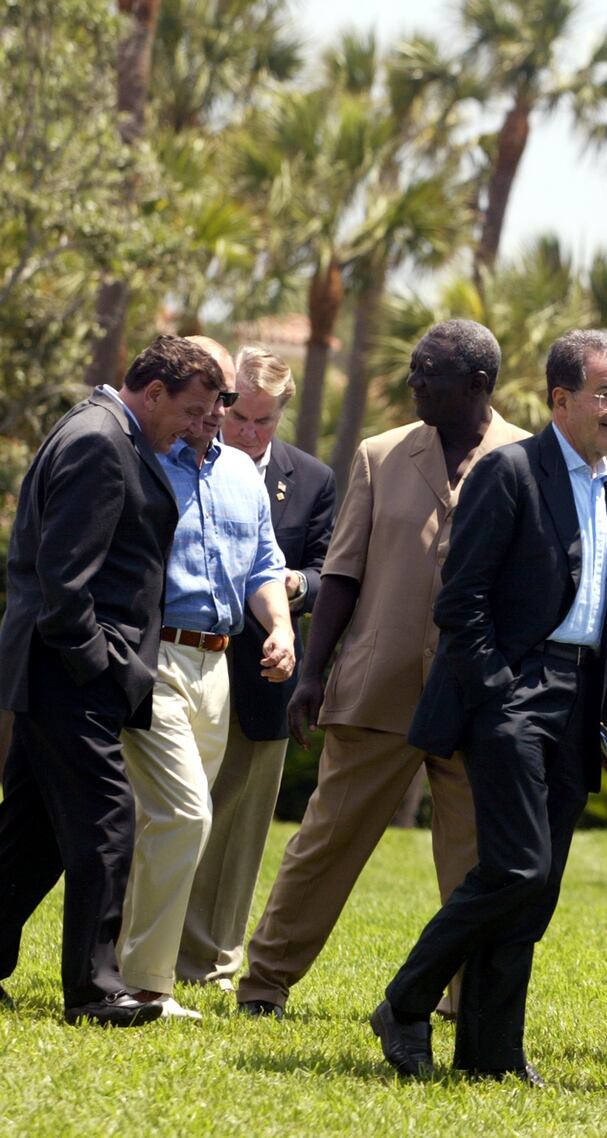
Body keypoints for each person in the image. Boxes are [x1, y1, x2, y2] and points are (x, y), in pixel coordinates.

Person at [235, 319, 529, 1019]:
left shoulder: (528, 460)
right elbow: (341, 572)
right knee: (326, 843)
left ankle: (470, 1003)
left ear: (478, 384)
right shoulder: (380, 453)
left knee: (477, 862)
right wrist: (312, 672)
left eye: (429, 372)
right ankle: (264, 983)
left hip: (478, 700)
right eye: (413, 368)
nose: (413, 382)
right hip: (378, 686)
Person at [371, 329, 607, 1085]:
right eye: (606, 394)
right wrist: (502, 693)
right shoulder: (509, 472)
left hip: (582, 702)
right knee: (518, 868)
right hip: (514, 698)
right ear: (562, 399)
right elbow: (462, 602)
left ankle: (490, 1054)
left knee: (535, 886)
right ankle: (405, 1001)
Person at [0, 335, 223, 1025]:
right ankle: (96, 991)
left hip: (62, 669)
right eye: (189, 411)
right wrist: (101, 666)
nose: (194, 426)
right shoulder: (101, 442)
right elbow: (66, 581)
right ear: (151, 392)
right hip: (68, 670)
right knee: (108, 821)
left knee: (32, 835)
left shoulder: (107, 432)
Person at [115, 336, 295, 1020]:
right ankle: (148, 986)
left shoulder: (243, 475)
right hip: (153, 657)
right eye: (211, 399)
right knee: (184, 813)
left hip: (219, 665)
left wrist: (277, 627)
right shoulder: (142, 459)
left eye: (225, 400)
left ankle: (126, 969)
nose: (218, 413)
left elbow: (263, 565)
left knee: (174, 821)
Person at [177, 347, 336, 992]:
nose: (247, 433)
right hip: (191, 661)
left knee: (242, 829)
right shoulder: (187, 460)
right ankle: (163, 946)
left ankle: (216, 959)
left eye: (263, 422)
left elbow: (333, 573)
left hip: (269, 674)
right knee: (182, 809)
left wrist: (294, 587)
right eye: (238, 416)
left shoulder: (313, 480)